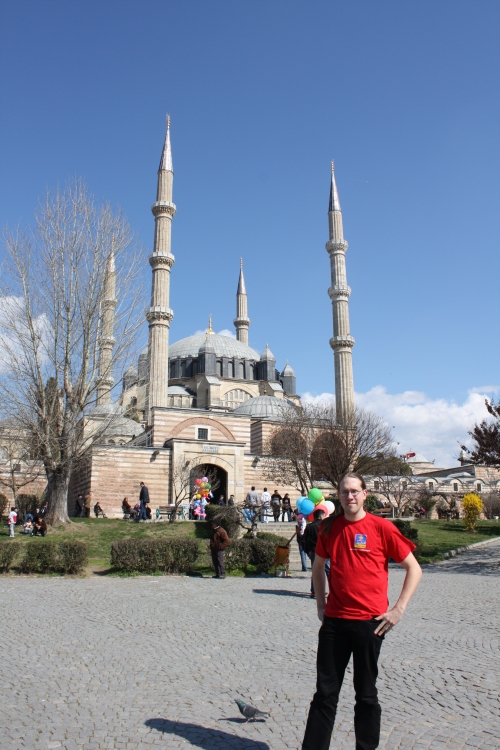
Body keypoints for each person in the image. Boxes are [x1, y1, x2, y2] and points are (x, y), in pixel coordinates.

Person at [301, 472, 422, 750]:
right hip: (335, 624)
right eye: (344, 492)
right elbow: (318, 568)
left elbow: (414, 568)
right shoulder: (329, 528)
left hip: (371, 624)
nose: (350, 496)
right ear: (339, 496)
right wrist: (321, 604)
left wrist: (398, 609)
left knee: (366, 695)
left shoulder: (382, 528)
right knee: (325, 694)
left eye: (355, 491)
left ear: (365, 494)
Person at [302, 508, 330, 597]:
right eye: (324, 515)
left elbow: (304, 540)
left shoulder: (309, 526)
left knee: (316, 570)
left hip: (313, 551)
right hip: (325, 552)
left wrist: (308, 551)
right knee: (329, 571)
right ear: (321, 516)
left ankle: (314, 591)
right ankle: (333, 591)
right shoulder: (325, 525)